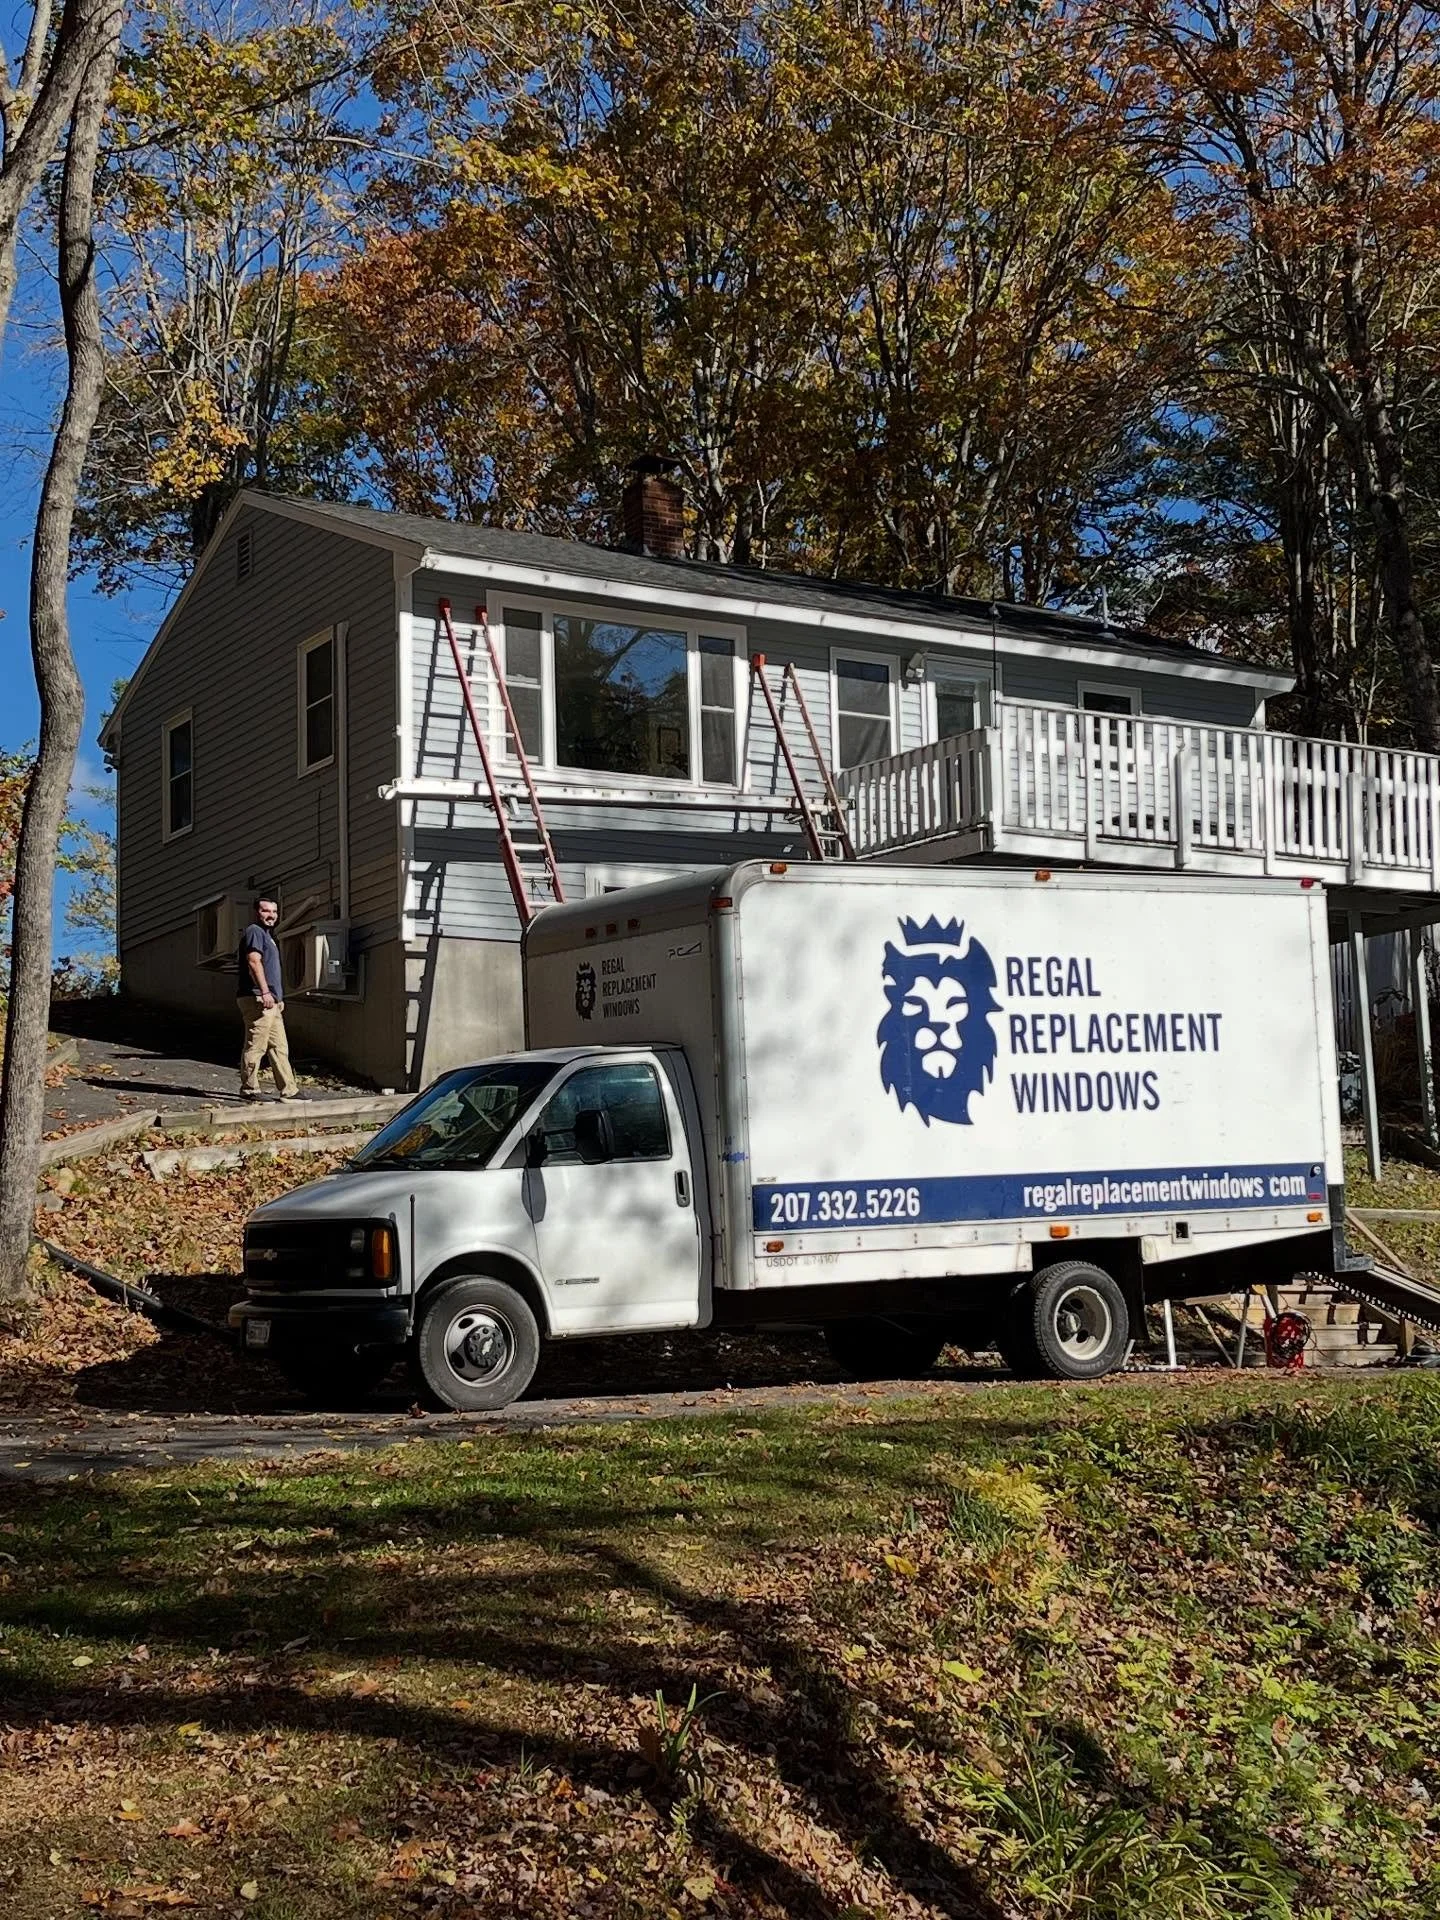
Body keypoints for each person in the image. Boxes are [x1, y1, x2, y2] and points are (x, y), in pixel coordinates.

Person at [237, 896, 300, 1100]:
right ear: (257, 912)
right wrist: (264, 992)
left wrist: (277, 998)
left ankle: (289, 1090)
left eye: (274, 911)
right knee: (256, 1045)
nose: (271, 915)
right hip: (258, 999)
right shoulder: (254, 931)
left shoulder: (268, 936)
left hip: (271, 1002)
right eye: (265, 911)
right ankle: (249, 1089)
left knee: (279, 1047)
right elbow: (254, 962)